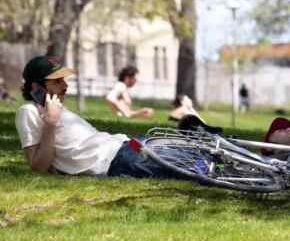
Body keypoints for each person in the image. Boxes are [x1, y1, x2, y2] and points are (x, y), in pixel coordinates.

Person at [14, 56, 176, 177]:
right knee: (190, 168)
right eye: (57, 81)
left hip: (123, 144)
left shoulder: (56, 108)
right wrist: (50, 123)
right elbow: (38, 166)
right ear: (36, 86)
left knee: (189, 153)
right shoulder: (29, 111)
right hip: (115, 160)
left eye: (63, 80)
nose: (65, 85)